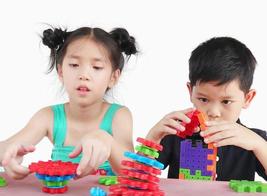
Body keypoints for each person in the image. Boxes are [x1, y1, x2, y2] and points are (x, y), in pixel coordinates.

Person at [0, 26, 138, 179]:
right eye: (74, 65)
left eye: (97, 67)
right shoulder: (49, 116)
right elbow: (5, 147)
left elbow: (134, 173)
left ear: (113, 77)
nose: (84, 75)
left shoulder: (119, 116)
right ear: (60, 72)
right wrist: (7, 154)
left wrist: (108, 142)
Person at [146, 37, 267, 181]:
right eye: (203, 99)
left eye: (226, 101)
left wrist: (260, 146)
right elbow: (138, 182)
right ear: (191, 92)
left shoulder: (255, 141)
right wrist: (152, 139)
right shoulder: (174, 135)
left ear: (247, 98)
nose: (214, 112)